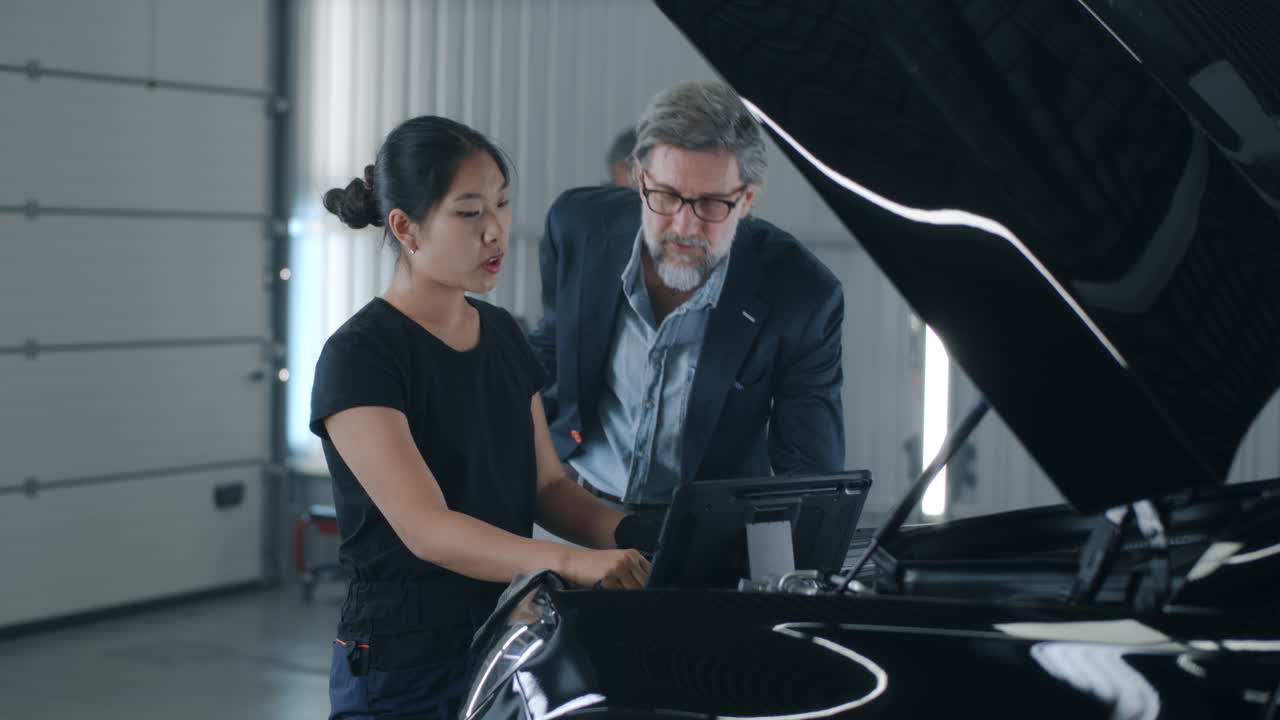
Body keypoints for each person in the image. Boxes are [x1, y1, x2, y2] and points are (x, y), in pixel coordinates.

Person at [312, 115, 649, 720]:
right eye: (469, 212)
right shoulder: (361, 356)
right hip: (402, 664)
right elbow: (428, 529)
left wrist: (640, 537)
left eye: (502, 203)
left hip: (504, 639)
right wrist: (571, 561)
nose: (496, 231)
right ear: (405, 228)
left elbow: (547, 487)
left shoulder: (502, 333)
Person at [528, 81, 845, 515]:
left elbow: (810, 476)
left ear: (746, 200)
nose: (684, 227)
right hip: (577, 505)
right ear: (641, 179)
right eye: (667, 195)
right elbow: (552, 350)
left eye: (711, 204)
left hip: (707, 526)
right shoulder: (577, 227)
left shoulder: (802, 294)